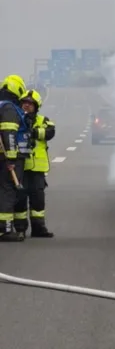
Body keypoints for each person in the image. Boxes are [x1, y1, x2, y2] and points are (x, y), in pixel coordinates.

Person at [14, 90, 54, 238]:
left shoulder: (43, 120)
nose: (27, 105)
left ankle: (39, 229)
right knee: (20, 199)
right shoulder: (15, 119)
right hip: (20, 167)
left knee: (38, 200)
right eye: (24, 102)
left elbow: (50, 131)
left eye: (30, 104)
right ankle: (20, 229)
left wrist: (34, 132)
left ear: (36, 106)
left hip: (37, 169)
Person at [0, 75, 28, 242]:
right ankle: (5, 229)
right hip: (6, 159)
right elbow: (9, 133)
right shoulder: (9, 108)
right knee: (8, 191)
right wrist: (10, 159)